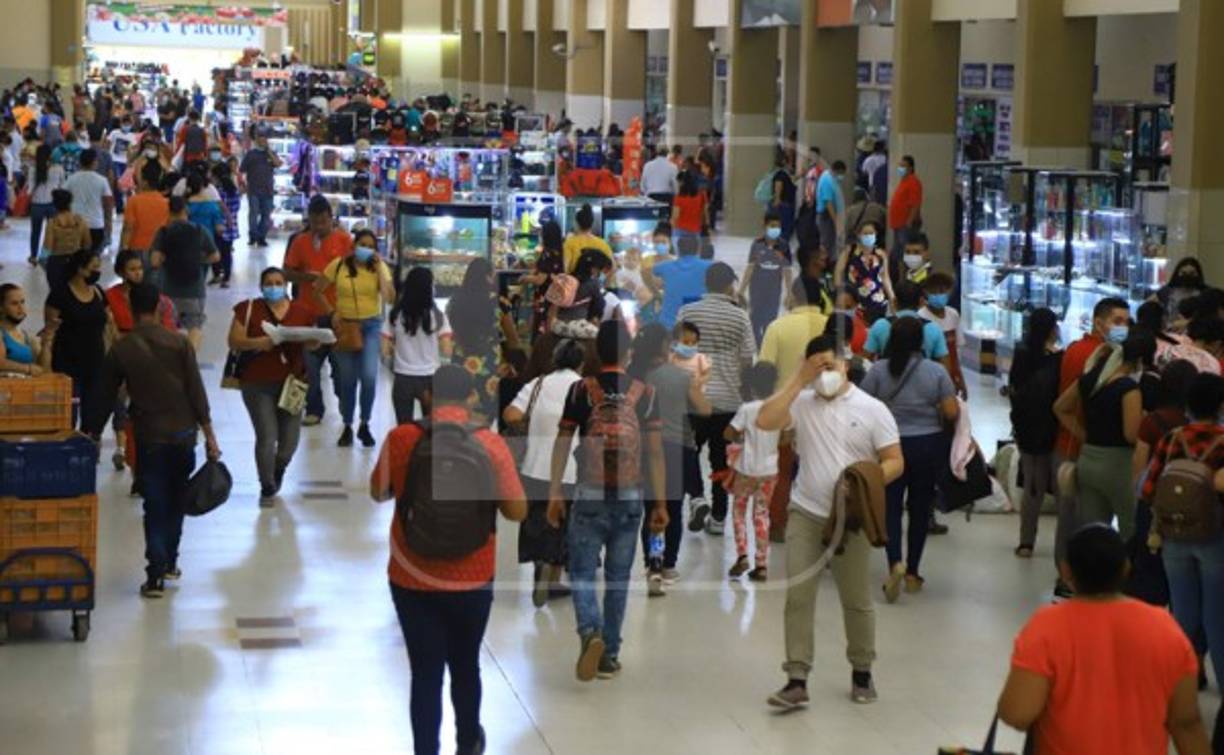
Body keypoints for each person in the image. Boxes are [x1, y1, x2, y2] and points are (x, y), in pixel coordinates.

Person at [368, 365, 526, 755]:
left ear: (427, 396)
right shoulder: (490, 444)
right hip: (472, 577)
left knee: (424, 674)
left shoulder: (403, 437)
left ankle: (426, 749)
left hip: (411, 576)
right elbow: (517, 511)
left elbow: (377, 492)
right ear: (472, 399)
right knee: (466, 665)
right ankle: (468, 741)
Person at [757, 333, 903, 709]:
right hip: (805, 513)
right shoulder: (801, 403)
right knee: (798, 596)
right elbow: (765, 420)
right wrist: (797, 381)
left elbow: (894, 460)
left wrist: (866, 482)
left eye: (831, 365)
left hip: (851, 519)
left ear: (847, 364)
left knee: (855, 598)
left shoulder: (872, 409)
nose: (826, 374)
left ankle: (862, 669)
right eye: (817, 367)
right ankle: (796, 677)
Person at [996, 524, 1209, 755]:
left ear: (1066, 571)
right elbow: (1186, 723)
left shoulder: (1047, 628)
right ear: (1126, 567)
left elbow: (1017, 713)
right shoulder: (1165, 629)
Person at [548, 320, 667, 682]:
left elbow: (564, 440)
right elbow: (656, 453)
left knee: (582, 572)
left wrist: (555, 490)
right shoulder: (646, 393)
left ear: (596, 352)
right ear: (630, 352)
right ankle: (609, 656)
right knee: (618, 578)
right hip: (631, 496)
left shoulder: (581, 390)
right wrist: (660, 504)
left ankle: (590, 633)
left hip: (590, 494)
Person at [85, 282, 220, 598]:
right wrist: (210, 435)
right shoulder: (180, 343)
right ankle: (170, 561)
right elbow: (197, 393)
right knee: (177, 500)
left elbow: (104, 396)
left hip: (149, 437)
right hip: (184, 434)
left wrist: (90, 432)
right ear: (160, 308)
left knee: (155, 503)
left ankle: (155, 573)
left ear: (132, 307)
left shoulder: (123, 348)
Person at [1140, 372, 1224, 743]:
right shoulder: (1223, 442)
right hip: (1216, 538)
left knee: (1183, 617)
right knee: (1218, 618)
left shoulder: (1172, 438)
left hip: (1174, 536)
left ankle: (1175, 692)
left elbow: (1147, 488)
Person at [861, 317, 958, 601]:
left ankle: (895, 563)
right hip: (927, 445)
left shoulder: (879, 370)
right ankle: (914, 571)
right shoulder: (936, 372)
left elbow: (862, 403)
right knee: (919, 508)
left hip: (890, 447)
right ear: (921, 342)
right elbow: (951, 412)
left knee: (891, 506)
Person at [628, 324, 711, 596]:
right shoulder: (680, 376)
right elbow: (705, 409)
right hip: (677, 449)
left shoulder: (635, 377)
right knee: (672, 510)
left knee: (652, 508)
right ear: (665, 346)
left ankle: (653, 562)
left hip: (643, 449)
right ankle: (667, 565)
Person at [504, 338, 585, 607]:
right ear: (581, 363)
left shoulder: (536, 384)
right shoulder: (584, 388)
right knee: (565, 525)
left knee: (537, 522)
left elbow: (511, 415)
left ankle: (540, 564)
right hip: (570, 469)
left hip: (534, 465)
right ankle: (553, 577)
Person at [678, 263, 757, 536]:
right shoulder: (740, 317)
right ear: (729, 285)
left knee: (687, 453)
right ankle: (719, 518)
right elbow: (748, 359)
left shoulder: (688, 312)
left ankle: (697, 498)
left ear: (706, 284)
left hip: (692, 396)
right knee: (721, 461)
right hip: (728, 400)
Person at [229, 267, 316, 504]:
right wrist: (261, 342)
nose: (274, 287)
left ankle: (278, 468)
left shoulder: (302, 311)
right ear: (261, 285)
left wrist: (312, 340)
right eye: (269, 282)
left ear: (286, 285)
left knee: (289, 442)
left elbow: (313, 344)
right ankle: (266, 485)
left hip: (294, 382)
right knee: (267, 436)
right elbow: (234, 340)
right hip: (257, 382)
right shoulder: (248, 309)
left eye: (279, 282)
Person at [1053, 329, 1146, 542]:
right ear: (1136, 362)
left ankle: (1092, 572)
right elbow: (1131, 435)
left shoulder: (1088, 381)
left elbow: (1059, 407)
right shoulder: (1128, 388)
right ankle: (1124, 573)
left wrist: (1085, 435)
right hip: (1119, 466)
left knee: (1092, 530)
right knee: (1129, 528)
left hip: (1088, 459)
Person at [316, 229, 394, 447]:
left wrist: (379, 270)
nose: (365, 249)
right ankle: (348, 425)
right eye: (362, 244)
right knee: (347, 380)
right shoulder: (338, 265)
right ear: (354, 245)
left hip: (371, 326)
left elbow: (390, 297)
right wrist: (332, 312)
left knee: (369, 377)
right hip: (346, 327)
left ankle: (365, 423)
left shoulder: (379, 267)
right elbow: (318, 290)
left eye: (370, 246)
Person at [283, 195, 353, 425]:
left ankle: (346, 406)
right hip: (307, 313)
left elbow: (354, 274)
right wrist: (308, 277)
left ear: (331, 219)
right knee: (310, 367)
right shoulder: (300, 242)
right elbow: (287, 273)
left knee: (341, 367)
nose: (319, 227)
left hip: (337, 314)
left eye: (323, 221)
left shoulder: (345, 241)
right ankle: (314, 409)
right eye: (314, 222)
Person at [1008, 308, 1063, 559]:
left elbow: (1015, 389)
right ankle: (1064, 544)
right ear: (1052, 328)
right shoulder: (1057, 358)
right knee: (1062, 487)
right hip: (1055, 425)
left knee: (1033, 485)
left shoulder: (1022, 353)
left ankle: (1026, 541)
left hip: (1027, 426)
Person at [44, 248, 113, 431]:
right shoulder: (60, 294)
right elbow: (49, 328)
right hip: (68, 366)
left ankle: (87, 453)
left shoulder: (98, 292)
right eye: (93, 268)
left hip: (95, 365)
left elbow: (107, 325)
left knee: (91, 417)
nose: (97, 272)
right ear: (80, 269)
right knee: (68, 417)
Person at [725, 362, 781, 581]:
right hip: (769, 471)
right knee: (761, 515)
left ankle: (741, 555)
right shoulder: (779, 407)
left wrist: (742, 438)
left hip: (746, 470)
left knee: (739, 512)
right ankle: (761, 564)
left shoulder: (747, 409)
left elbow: (728, 433)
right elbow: (787, 436)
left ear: (753, 385)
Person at [448, 257, 518, 421]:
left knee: (461, 408)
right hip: (490, 364)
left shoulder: (455, 300)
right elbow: (513, 338)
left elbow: (453, 328)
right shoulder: (499, 303)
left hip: (460, 360)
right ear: (488, 277)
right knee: (485, 411)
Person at [151, 196, 220, 351]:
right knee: (195, 326)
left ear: (169, 211)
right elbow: (215, 256)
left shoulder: (163, 232)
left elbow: (155, 261)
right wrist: (198, 259)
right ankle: (190, 361)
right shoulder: (199, 230)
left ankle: (170, 361)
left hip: (168, 288)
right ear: (186, 210)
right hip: (195, 288)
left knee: (168, 325)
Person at [387, 267, 451, 424]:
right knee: (431, 427)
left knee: (404, 427)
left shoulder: (395, 314)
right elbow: (446, 350)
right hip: (430, 378)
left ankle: (407, 448)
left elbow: (384, 348)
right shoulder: (438, 316)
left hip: (403, 377)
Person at [740, 211, 794, 344]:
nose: (775, 229)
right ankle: (757, 344)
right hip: (756, 290)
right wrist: (741, 290)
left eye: (778, 226)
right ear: (765, 226)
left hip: (773, 291)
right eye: (772, 226)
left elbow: (787, 270)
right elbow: (750, 268)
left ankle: (765, 345)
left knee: (770, 321)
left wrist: (789, 292)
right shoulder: (757, 244)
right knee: (755, 320)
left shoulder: (784, 246)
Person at [863, 280, 948, 363]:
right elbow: (945, 366)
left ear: (895, 302)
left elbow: (866, 361)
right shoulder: (933, 329)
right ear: (921, 302)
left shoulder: (880, 325)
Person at [644, 234, 712, 330]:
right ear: (698, 250)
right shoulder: (709, 266)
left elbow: (645, 271)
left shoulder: (666, 266)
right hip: (695, 324)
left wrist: (655, 292)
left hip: (668, 324)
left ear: (678, 250)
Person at [919, 272, 968, 397]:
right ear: (926, 293)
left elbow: (956, 352)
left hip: (950, 375)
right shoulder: (920, 317)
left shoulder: (953, 314)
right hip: (928, 377)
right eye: (934, 292)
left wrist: (960, 379)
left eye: (942, 291)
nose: (938, 295)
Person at [834, 221, 892, 321]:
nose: (868, 236)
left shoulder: (881, 254)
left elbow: (885, 277)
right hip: (855, 299)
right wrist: (839, 291)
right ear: (858, 234)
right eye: (865, 233)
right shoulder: (850, 251)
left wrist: (892, 296)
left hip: (877, 300)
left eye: (871, 233)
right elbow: (838, 271)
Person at [63, 148, 112, 253]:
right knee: (93, 258)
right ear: (94, 162)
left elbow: (63, 198)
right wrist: (108, 224)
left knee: (76, 257)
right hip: (96, 224)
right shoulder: (102, 180)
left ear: (80, 162)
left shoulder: (71, 179)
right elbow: (108, 204)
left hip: (75, 223)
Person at [41, 188, 92, 289]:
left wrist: (43, 262)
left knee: (57, 297)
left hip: (56, 262)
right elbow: (87, 244)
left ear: (54, 203)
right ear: (70, 202)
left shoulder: (52, 223)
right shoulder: (80, 221)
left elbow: (47, 247)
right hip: (76, 261)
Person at [523, 220, 565, 338]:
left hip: (545, 296)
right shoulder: (560, 252)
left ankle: (539, 352)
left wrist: (525, 278)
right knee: (549, 326)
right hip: (555, 295)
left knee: (541, 327)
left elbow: (540, 279)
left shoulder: (547, 253)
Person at [239, 128, 281, 247]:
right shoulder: (251, 154)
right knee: (253, 213)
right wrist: (242, 185)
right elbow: (242, 170)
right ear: (256, 139)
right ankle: (253, 236)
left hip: (268, 189)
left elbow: (278, 164)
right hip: (253, 189)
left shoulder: (271, 153)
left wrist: (269, 151)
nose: (262, 140)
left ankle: (262, 236)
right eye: (260, 137)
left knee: (266, 215)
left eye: (264, 137)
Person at [0, 283, 51, 376]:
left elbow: (44, 371)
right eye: (14, 303)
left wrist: (46, 342)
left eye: (22, 302)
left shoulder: (27, 337)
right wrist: (27, 368)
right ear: (1, 308)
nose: (21, 307)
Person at [120, 160, 169, 256]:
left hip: (136, 248)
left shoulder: (134, 201)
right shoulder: (166, 203)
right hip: (157, 250)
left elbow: (128, 228)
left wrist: (124, 249)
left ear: (145, 182)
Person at [26, 143, 63, 265]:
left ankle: (33, 256)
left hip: (37, 205)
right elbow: (61, 186)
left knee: (35, 232)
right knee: (53, 232)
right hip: (53, 204)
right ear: (50, 155)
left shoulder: (33, 169)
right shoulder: (58, 168)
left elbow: (30, 189)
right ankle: (49, 255)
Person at [209, 163, 241, 288]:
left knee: (214, 251)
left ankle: (217, 275)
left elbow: (218, 208)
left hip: (218, 225)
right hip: (231, 226)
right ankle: (226, 278)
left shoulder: (217, 191)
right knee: (227, 253)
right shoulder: (234, 190)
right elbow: (237, 207)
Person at [888, 155, 923, 266]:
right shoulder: (904, 181)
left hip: (905, 224)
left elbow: (915, 203)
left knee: (908, 253)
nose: (900, 168)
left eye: (903, 166)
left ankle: (909, 279)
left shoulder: (913, 182)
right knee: (898, 253)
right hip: (898, 223)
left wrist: (909, 221)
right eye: (900, 165)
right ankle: (900, 278)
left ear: (911, 168)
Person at [1155, 257, 1208, 329]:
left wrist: (1189, 322)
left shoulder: (1206, 292)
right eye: (1183, 273)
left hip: (1197, 332)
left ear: (1198, 274)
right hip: (1170, 331)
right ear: (1177, 273)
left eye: (1192, 273)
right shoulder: (1167, 290)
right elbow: (1148, 306)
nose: (1187, 276)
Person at [562, 203, 613, 273]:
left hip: (575, 282)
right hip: (596, 282)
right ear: (592, 224)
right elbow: (612, 268)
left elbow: (565, 267)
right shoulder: (602, 243)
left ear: (576, 224)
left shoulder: (569, 243)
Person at [815, 160, 846, 257]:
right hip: (827, 216)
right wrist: (835, 220)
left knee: (831, 242)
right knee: (827, 242)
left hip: (829, 216)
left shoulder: (830, 177)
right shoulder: (827, 180)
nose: (842, 177)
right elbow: (828, 203)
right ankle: (825, 263)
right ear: (838, 171)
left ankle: (829, 261)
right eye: (842, 174)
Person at [671, 170, 707, 247]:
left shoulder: (679, 198)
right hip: (695, 230)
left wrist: (671, 224)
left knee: (680, 254)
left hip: (680, 230)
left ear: (682, 183)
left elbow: (675, 216)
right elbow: (705, 213)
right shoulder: (701, 195)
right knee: (694, 255)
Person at [768, 153, 797, 243]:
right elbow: (778, 185)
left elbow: (791, 180)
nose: (791, 164)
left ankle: (780, 247)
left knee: (783, 229)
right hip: (783, 206)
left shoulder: (782, 174)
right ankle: (780, 249)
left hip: (783, 205)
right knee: (784, 229)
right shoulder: (780, 174)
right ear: (784, 162)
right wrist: (777, 200)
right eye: (789, 162)